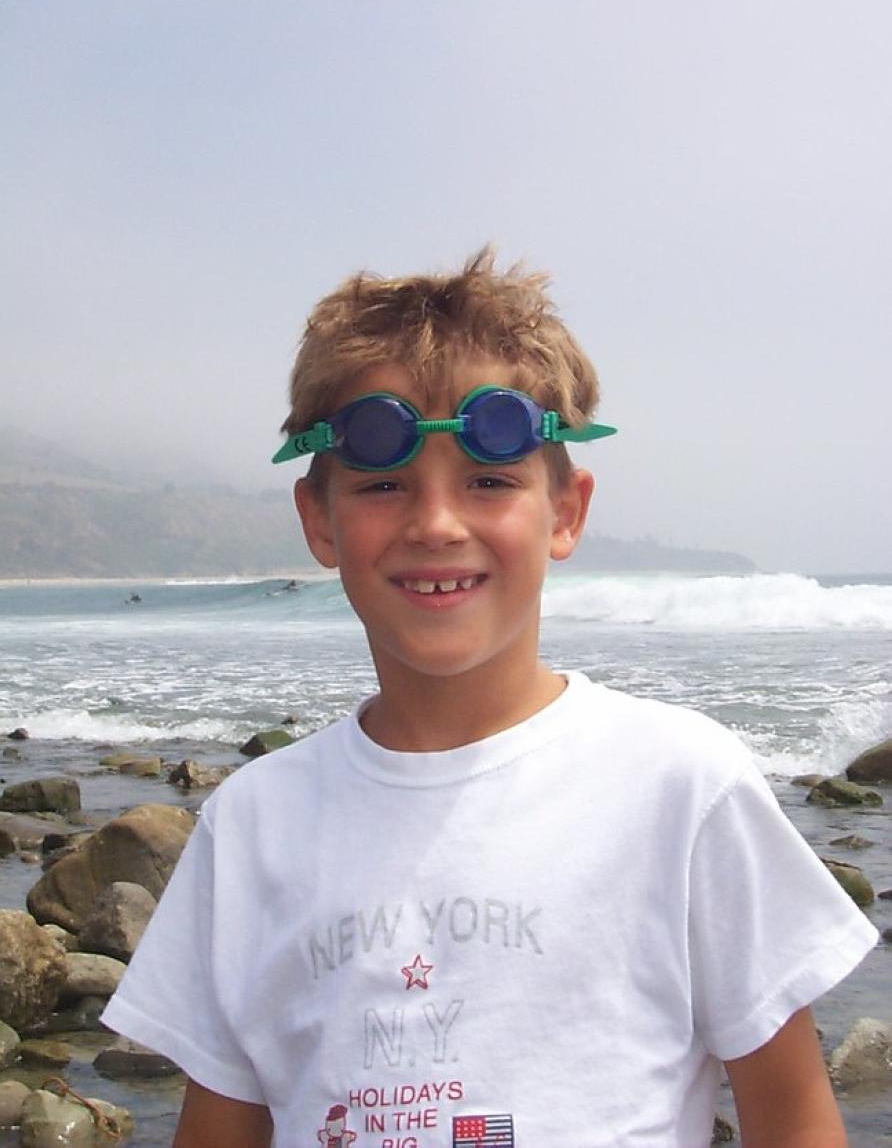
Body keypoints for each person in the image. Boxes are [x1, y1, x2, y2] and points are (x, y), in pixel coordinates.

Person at [103, 249, 876, 1147]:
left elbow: (794, 1119)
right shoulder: (252, 824)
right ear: (319, 519)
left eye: (490, 480)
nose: (436, 522)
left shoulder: (681, 786)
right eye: (384, 483)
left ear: (566, 511)